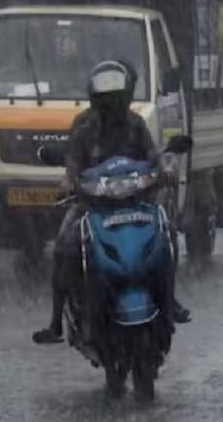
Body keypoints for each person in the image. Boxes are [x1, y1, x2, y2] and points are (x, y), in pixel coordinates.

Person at [33, 60, 190, 346]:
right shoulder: (83, 126)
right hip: (93, 204)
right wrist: (70, 182)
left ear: (126, 97)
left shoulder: (136, 124)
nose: (112, 105)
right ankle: (56, 322)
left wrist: (163, 170)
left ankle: (170, 299)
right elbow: (73, 162)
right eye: (106, 99)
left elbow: (152, 158)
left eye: (117, 99)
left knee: (167, 233)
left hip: (135, 202)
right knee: (64, 246)